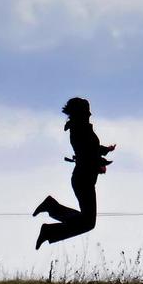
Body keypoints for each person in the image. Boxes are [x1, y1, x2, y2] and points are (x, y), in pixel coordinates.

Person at [32, 97, 116, 249]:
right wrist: (100, 163)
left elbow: (91, 150)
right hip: (83, 179)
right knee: (88, 222)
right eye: (87, 111)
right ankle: (50, 214)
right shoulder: (81, 129)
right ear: (81, 112)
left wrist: (105, 152)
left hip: (84, 178)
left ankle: (50, 218)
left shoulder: (81, 128)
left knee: (87, 221)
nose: (90, 114)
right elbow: (88, 153)